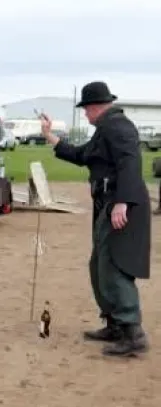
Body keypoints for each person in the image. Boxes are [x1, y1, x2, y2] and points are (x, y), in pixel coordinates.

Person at [40, 81, 151, 357]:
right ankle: (114, 323)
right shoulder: (105, 129)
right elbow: (82, 155)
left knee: (114, 265)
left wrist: (122, 201)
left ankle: (132, 332)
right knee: (99, 265)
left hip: (120, 203)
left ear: (95, 107)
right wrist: (50, 136)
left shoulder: (118, 127)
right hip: (109, 203)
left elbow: (130, 163)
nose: (86, 116)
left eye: (86, 110)